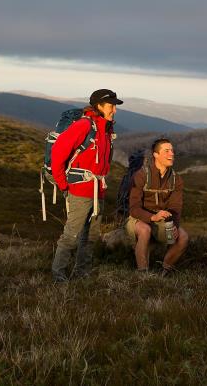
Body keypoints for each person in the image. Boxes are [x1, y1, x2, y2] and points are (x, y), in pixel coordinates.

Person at [50, 89, 122, 282]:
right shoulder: (84, 125)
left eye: (115, 106)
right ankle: (58, 276)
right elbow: (58, 151)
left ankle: (82, 274)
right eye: (111, 106)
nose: (114, 110)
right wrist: (63, 183)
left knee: (90, 236)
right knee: (71, 235)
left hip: (98, 191)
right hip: (80, 190)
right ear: (99, 106)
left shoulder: (106, 128)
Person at [125, 138, 189, 276]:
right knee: (145, 230)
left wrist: (174, 225)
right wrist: (152, 217)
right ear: (156, 155)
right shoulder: (141, 176)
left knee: (183, 237)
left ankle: (164, 271)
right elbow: (134, 208)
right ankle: (143, 273)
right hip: (139, 218)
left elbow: (176, 207)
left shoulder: (176, 179)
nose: (171, 154)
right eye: (166, 151)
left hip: (162, 220)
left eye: (172, 151)